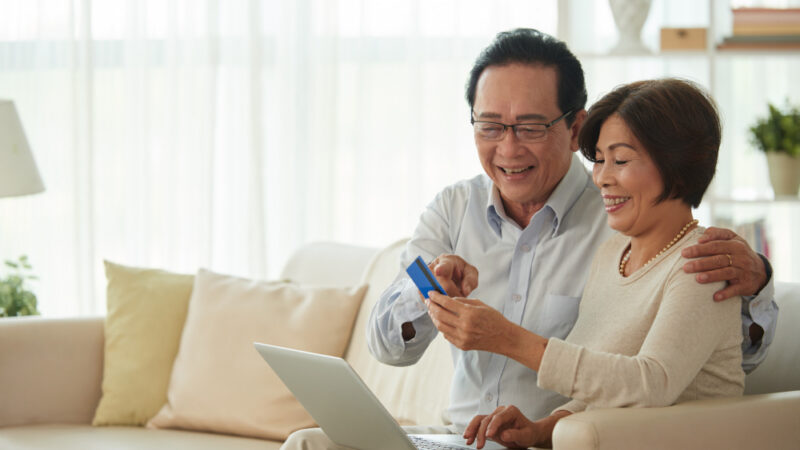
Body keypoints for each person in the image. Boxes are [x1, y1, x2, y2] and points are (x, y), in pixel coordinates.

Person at [280, 28, 777, 449]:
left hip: (575, 441)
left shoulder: (629, 225)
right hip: (471, 434)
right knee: (309, 442)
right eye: (490, 126)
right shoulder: (455, 210)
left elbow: (692, 370)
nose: (508, 148)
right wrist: (425, 287)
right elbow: (389, 347)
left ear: (573, 125)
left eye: (531, 127)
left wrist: (754, 283)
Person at [460, 78, 745, 449]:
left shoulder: (705, 264)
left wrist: (510, 339)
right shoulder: (613, 253)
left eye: (620, 160)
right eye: (598, 159)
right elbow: (599, 394)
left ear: (676, 166)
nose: (602, 178)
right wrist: (539, 430)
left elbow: (651, 384)